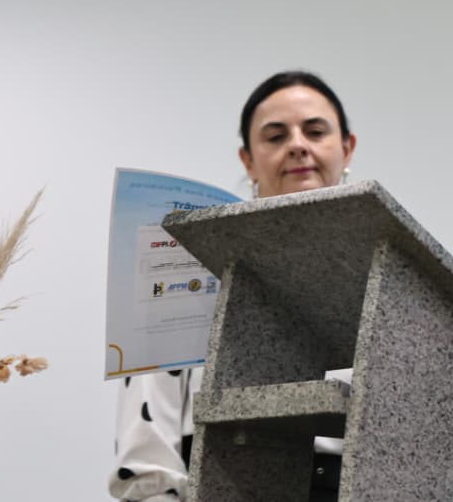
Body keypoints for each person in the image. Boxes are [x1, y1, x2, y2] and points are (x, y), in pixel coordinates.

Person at [110, 70, 357, 502]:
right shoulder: (183, 270)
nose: (298, 145)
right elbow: (144, 464)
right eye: (276, 136)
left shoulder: (382, 279)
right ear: (248, 160)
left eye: (315, 131)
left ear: (347, 147)